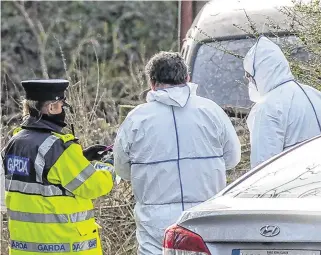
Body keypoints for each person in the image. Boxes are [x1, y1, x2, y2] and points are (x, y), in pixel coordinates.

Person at [113, 51, 241, 255]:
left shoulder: (136, 119)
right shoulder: (212, 111)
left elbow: (121, 169)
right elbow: (233, 159)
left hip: (154, 221)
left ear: (152, 83)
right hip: (204, 216)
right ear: (187, 78)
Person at [2, 79, 114, 255]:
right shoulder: (58, 147)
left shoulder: (13, 144)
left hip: (23, 249)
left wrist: (81, 158)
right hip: (63, 246)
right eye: (62, 106)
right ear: (52, 107)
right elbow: (93, 186)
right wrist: (108, 165)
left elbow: (43, 176)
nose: (63, 111)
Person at [244, 36, 321, 168]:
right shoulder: (313, 93)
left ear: (261, 73)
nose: (250, 81)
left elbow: (263, 166)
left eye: (250, 76)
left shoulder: (268, 107)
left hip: (293, 183)